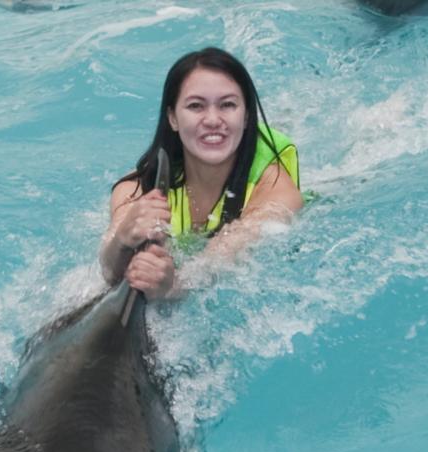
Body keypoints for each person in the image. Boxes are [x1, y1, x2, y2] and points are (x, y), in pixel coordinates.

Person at [100, 47, 303, 299]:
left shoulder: (276, 189)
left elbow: (218, 260)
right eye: (196, 106)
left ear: (247, 116)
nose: (212, 119)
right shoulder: (135, 188)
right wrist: (122, 238)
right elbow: (108, 271)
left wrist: (172, 286)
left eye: (228, 105)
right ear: (173, 118)